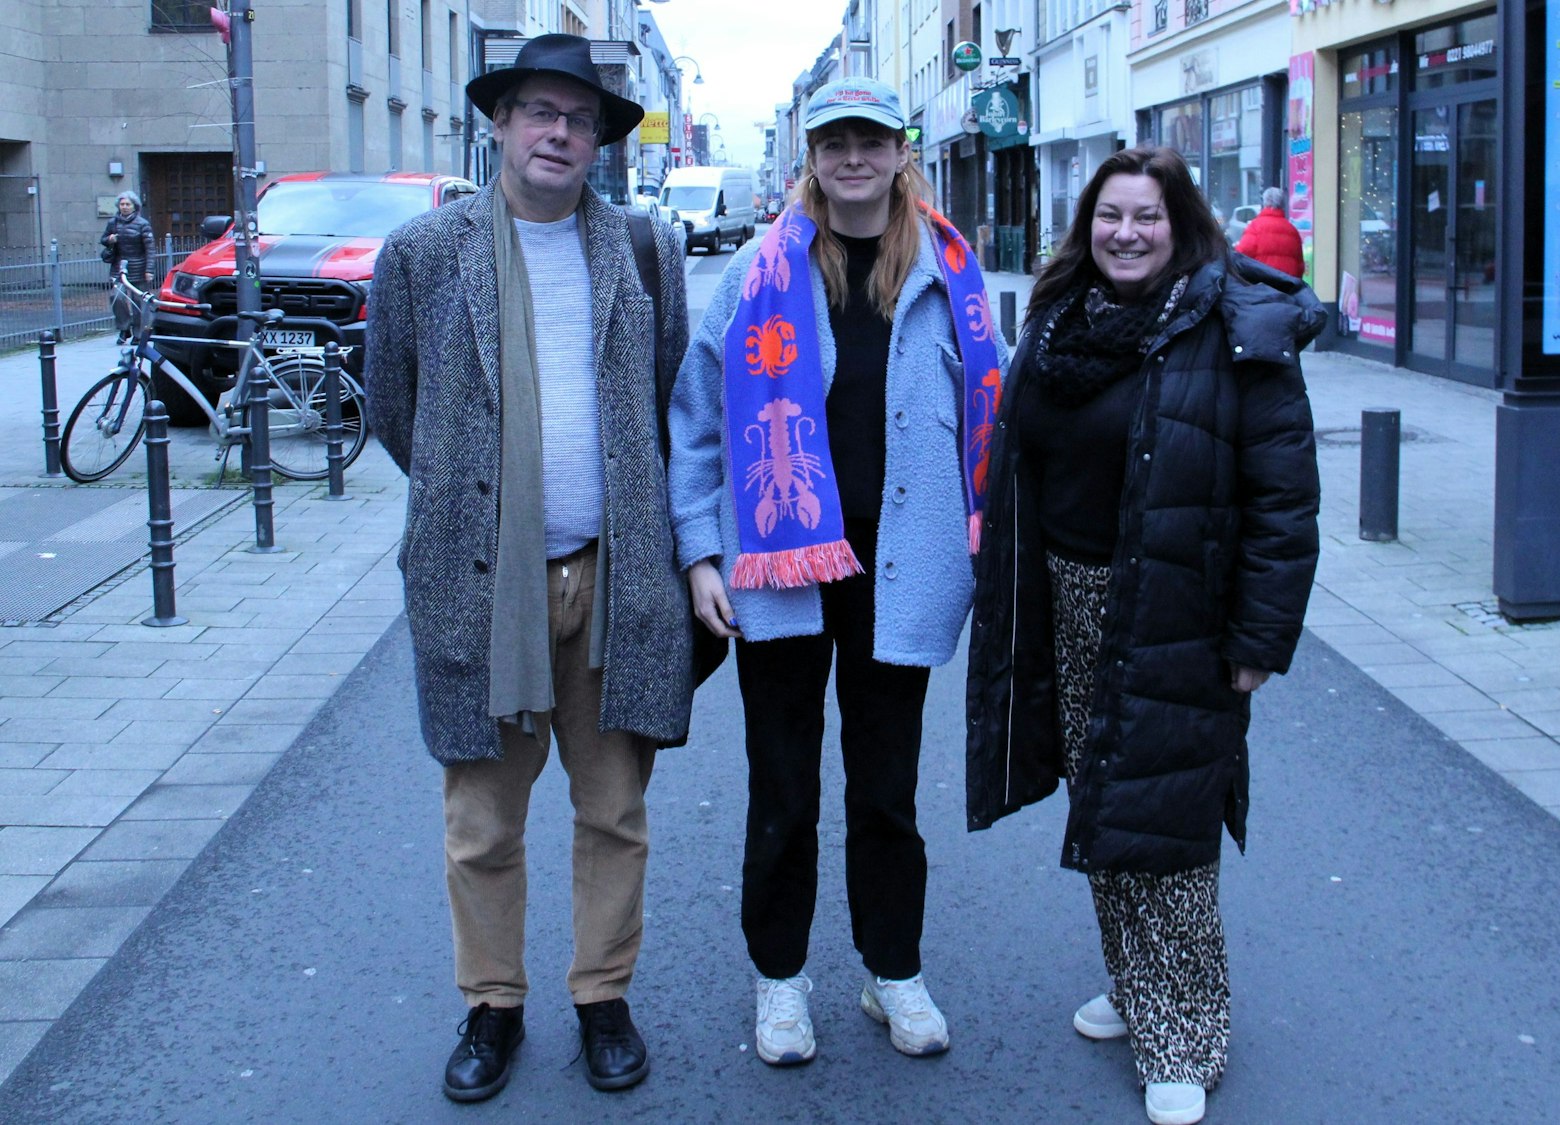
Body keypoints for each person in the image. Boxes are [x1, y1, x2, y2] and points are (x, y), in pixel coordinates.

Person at [362, 33, 695, 1103]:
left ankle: (601, 996)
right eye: (539, 113)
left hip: (614, 581)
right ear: (499, 125)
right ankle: (492, 1006)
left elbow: (668, 396)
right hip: (481, 585)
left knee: (614, 812)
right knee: (482, 822)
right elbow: (393, 408)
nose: (559, 133)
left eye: (580, 118)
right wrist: (480, 507)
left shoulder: (644, 251)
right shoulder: (423, 254)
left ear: (600, 141)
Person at [964, 146, 1323, 1125]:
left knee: (1165, 822)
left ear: (1182, 226)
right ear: (1087, 225)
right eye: (1109, 215)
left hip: (1175, 614)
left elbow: (1283, 502)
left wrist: (1257, 638)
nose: (1125, 233)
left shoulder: (1231, 328)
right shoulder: (1059, 317)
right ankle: (1133, 986)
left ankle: (1185, 1032)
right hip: (1066, 603)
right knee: (1105, 808)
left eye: (1146, 217)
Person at [669, 76, 1002, 1067]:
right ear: (809, 157)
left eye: (869, 140)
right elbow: (694, 422)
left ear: (901, 152)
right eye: (832, 142)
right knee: (782, 784)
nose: (851, 158)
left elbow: (996, 413)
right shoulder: (757, 272)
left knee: (887, 787)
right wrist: (698, 553)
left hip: (900, 566)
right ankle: (779, 981)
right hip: (777, 566)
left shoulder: (949, 273)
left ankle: (890, 969)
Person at [101, 191, 154, 343]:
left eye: (127, 204)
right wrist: (109, 239)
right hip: (119, 267)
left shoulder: (143, 224)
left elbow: (150, 249)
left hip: (139, 267)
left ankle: (138, 333)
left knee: (139, 301)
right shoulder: (113, 223)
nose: (124, 207)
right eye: (122, 204)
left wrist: (149, 270)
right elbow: (103, 239)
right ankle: (124, 328)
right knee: (116, 297)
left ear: (134, 206)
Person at [1233, 185, 1306, 279]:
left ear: (1264, 203)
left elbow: (1242, 255)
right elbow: (1299, 267)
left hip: (1263, 286)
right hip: (1287, 288)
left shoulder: (1255, 227)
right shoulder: (1292, 230)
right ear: (1282, 204)